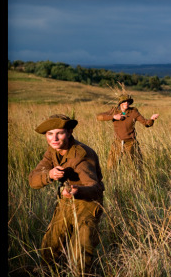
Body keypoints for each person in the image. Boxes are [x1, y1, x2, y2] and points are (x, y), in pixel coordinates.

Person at [28, 114, 105, 275]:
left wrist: (78, 191)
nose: (54, 138)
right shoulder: (52, 151)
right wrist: (49, 175)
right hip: (66, 200)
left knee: (81, 252)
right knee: (51, 245)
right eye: (49, 134)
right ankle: (46, 272)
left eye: (59, 133)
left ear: (69, 132)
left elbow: (95, 188)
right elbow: (33, 180)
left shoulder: (82, 155)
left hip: (87, 203)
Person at [96, 94, 159, 171]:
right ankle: (113, 182)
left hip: (131, 143)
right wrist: (113, 117)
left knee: (136, 167)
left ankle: (137, 182)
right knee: (111, 167)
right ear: (120, 103)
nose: (126, 103)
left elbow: (146, 123)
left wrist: (152, 119)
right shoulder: (114, 111)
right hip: (117, 143)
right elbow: (98, 117)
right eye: (124, 101)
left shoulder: (133, 112)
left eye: (128, 102)